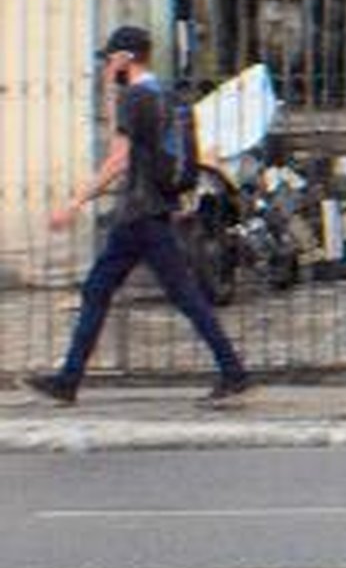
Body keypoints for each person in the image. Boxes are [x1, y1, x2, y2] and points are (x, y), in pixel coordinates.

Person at [26, 26, 251, 406]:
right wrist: (110, 90)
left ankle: (232, 370)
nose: (106, 65)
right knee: (110, 290)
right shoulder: (164, 94)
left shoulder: (135, 98)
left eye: (110, 59)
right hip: (154, 210)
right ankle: (69, 379)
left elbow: (118, 158)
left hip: (139, 215)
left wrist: (75, 203)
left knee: (164, 294)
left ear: (125, 59)